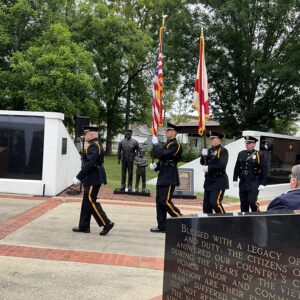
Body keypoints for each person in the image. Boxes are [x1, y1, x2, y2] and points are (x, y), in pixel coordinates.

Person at [72, 126, 114, 236]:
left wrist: (79, 177)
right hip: (92, 177)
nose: (85, 136)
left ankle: (107, 222)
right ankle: (84, 226)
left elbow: (90, 164)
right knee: (86, 201)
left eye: (86, 134)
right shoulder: (94, 145)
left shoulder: (94, 146)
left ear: (92, 135)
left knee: (90, 201)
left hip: (93, 177)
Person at [149, 123, 182, 233]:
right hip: (163, 175)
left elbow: (163, 155)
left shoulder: (176, 145)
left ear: (174, 132)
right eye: (167, 130)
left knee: (165, 201)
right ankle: (162, 226)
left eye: (169, 130)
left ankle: (180, 219)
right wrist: (156, 166)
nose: (167, 132)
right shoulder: (167, 144)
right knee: (159, 202)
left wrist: (155, 145)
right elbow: (162, 159)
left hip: (170, 175)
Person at [233, 136, 268, 212]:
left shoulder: (259, 154)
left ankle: (256, 216)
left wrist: (263, 183)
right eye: (246, 143)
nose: (247, 145)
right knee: (243, 203)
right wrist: (235, 179)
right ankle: (244, 220)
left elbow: (264, 170)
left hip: (254, 182)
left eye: (249, 143)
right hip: (243, 182)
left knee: (252, 201)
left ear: (254, 144)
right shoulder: (241, 153)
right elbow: (237, 167)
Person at [200, 131, 229, 213]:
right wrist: (203, 156)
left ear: (218, 139)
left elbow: (222, 165)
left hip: (218, 181)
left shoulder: (223, 151)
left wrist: (208, 168)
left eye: (213, 138)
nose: (211, 140)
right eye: (211, 139)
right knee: (206, 206)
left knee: (215, 203)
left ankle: (224, 220)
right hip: (209, 181)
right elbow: (202, 162)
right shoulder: (209, 150)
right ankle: (208, 224)